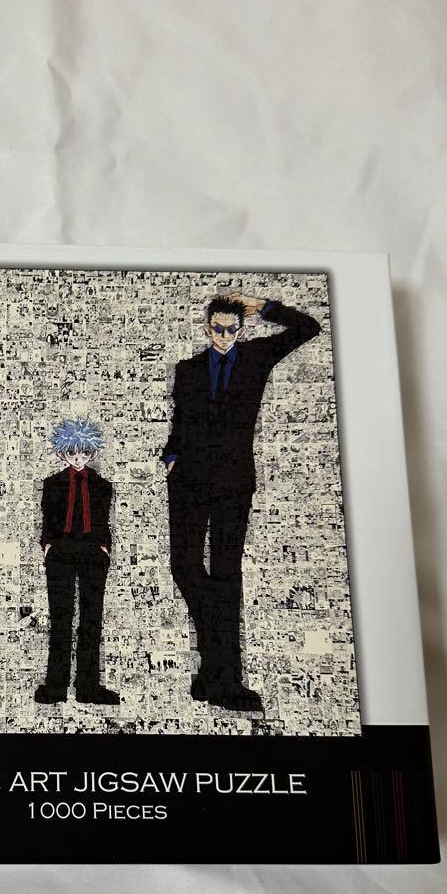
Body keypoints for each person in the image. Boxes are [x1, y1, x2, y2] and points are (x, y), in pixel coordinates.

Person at [162, 292, 321, 710]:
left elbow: (308, 328)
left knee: (225, 575)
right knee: (184, 566)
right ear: (206, 327)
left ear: (241, 328)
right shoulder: (188, 369)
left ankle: (224, 680)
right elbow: (181, 420)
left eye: (232, 328)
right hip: (188, 480)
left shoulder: (255, 358)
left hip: (233, 483)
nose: (224, 335)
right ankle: (215, 668)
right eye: (217, 328)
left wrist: (264, 307)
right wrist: (172, 456)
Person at [35, 419, 120, 706]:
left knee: (91, 619)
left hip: (92, 553)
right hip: (60, 552)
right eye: (72, 453)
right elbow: (47, 517)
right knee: (61, 618)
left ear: (92, 453)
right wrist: (48, 546)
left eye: (84, 453)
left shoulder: (102, 486)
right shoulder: (52, 484)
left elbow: (103, 519)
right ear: (62, 453)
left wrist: (104, 548)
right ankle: (56, 686)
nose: (78, 459)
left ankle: (88, 686)